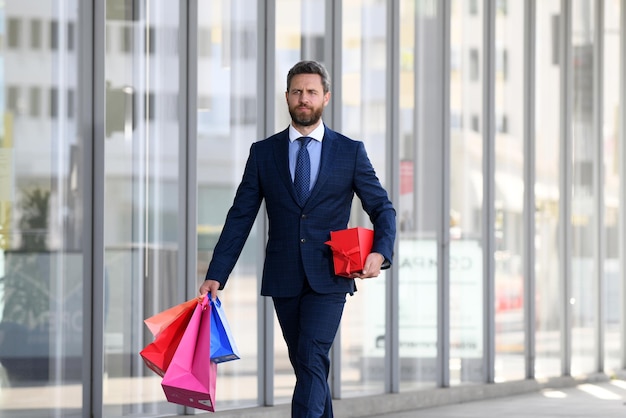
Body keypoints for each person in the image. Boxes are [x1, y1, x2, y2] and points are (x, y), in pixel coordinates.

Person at [199, 60, 396, 418]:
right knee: (310, 365)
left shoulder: (349, 151)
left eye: (311, 92)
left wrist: (380, 252)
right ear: (287, 97)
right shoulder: (264, 153)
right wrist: (218, 272)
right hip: (284, 276)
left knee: (310, 355)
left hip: (331, 276)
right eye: (297, 92)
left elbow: (383, 208)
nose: (303, 98)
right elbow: (241, 216)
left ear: (326, 97)